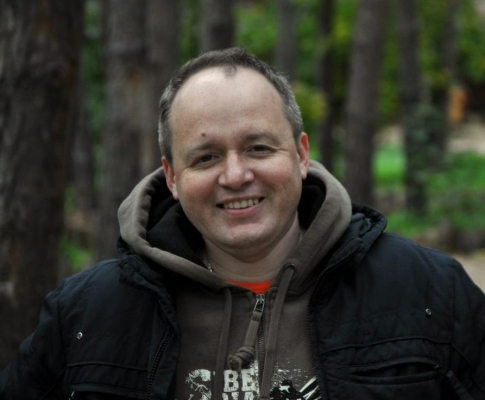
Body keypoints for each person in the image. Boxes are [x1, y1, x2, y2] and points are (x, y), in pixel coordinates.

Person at [1, 47, 485, 400]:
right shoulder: (86, 316)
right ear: (172, 177)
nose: (235, 176)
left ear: (300, 155)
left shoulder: (430, 294)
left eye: (258, 147)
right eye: (206, 157)